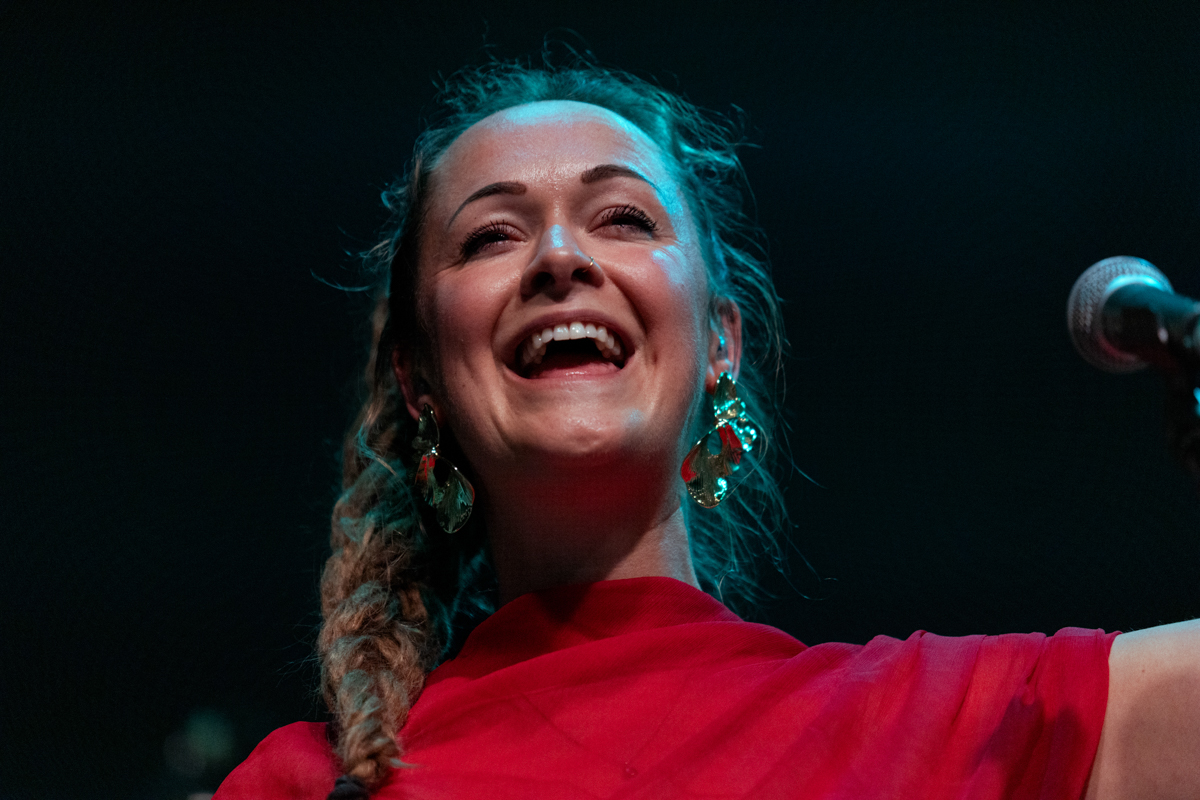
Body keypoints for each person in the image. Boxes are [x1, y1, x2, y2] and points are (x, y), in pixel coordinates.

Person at [214, 58, 1200, 800]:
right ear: (420, 378)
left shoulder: (934, 724)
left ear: (721, 342)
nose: (558, 256)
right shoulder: (304, 786)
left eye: (623, 219)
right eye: (491, 236)